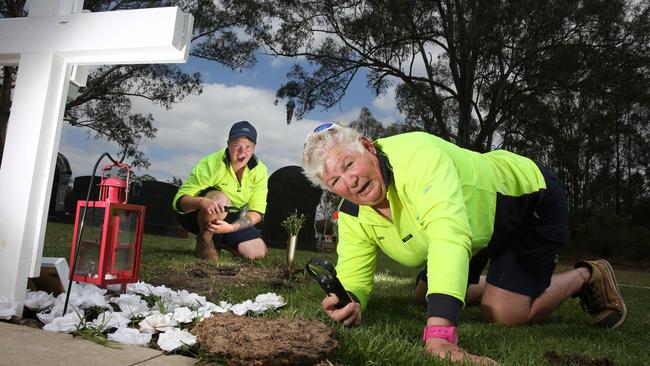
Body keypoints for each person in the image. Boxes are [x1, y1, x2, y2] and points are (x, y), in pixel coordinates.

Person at [302, 123, 627, 365]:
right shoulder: (353, 212)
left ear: (367, 146)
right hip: (472, 224)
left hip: (526, 201)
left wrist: (441, 334)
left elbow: (448, 234)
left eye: (349, 165)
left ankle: (587, 274)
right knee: (423, 294)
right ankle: (503, 283)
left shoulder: (417, 157)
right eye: (335, 181)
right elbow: (355, 275)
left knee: (503, 313)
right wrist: (351, 300)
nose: (350, 181)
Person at [173, 121, 268, 260]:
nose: (243, 152)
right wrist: (202, 202)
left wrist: (231, 228)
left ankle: (221, 239)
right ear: (228, 143)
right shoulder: (211, 163)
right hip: (201, 214)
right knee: (220, 200)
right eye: (237, 145)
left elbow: (257, 213)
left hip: (233, 218)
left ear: (254, 147)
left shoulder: (260, 171)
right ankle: (205, 238)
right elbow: (179, 201)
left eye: (248, 147)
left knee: (258, 254)